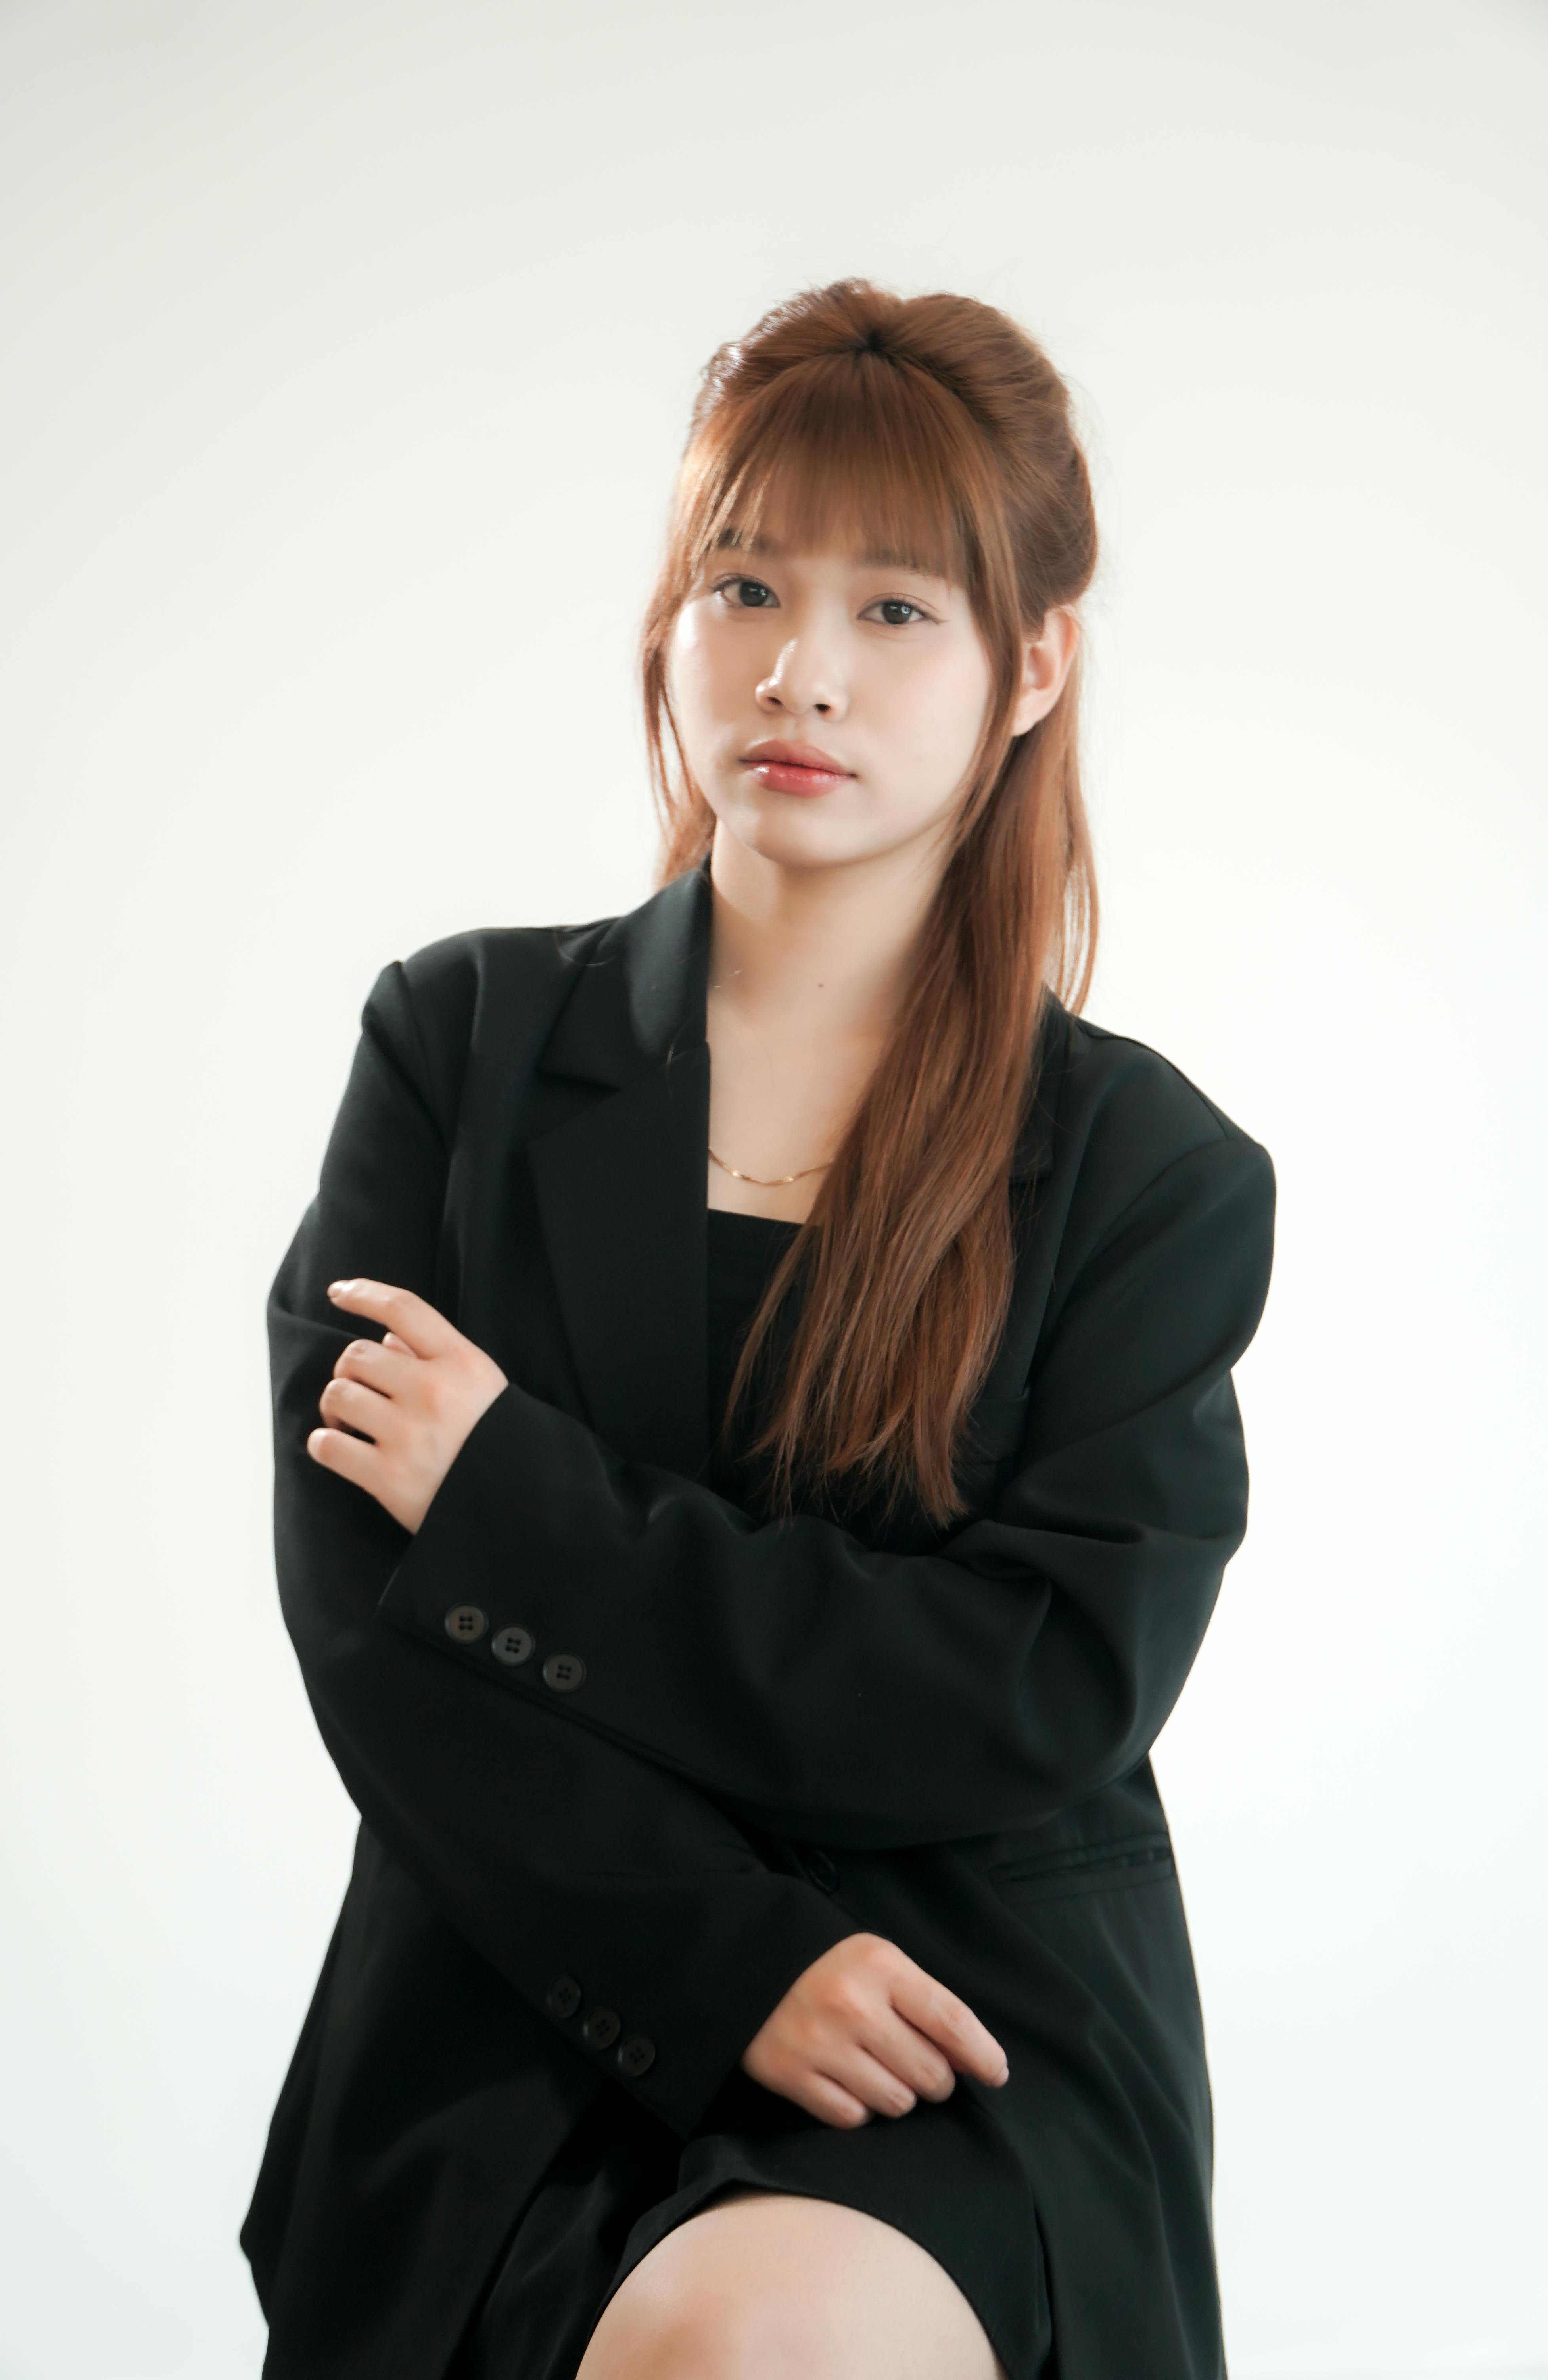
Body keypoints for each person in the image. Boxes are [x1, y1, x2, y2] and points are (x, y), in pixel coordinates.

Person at [240, 278, 1276, 2380]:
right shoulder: (461, 1046)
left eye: (897, 608)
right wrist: (717, 1964)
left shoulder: (1147, 1173)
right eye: (745, 586)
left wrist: (523, 1507)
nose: (800, 670)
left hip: (952, 2019)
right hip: (515, 1983)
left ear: (1030, 664)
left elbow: (1033, 1687)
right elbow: (372, 1627)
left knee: (762, 2341)